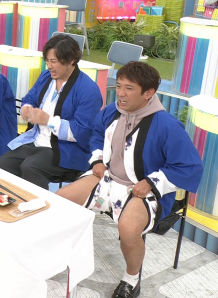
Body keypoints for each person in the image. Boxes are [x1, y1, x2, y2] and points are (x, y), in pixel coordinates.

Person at [57, 62, 203, 298]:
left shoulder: (167, 125)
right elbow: (97, 134)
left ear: (148, 93)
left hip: (141, 188)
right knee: (60, 201)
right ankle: (60, 256)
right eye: (119, 86)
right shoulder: (112, 112)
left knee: (129, 228)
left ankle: (131, 279)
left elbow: (189, 166)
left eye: (129, 88)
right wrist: (97, 160)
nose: (121, 94)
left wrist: (151, 182)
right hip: (107, 179)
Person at [0, 34, 102, 189]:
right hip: (37, 140)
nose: (49, 66)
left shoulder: (88, 90)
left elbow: (83, 131)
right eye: (47, 61)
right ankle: (9, 199)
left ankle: (42, 202)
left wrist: (48, 121)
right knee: (3, 163)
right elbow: (30, 98)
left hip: (67, 150)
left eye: (54, 61)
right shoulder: (46, 76)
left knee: (30, 167)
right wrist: (26, 108)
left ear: (71, 60)